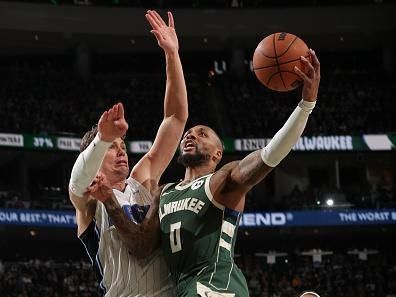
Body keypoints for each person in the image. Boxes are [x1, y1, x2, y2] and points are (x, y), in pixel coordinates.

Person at [93, 50, 321, 297]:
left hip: (217, 286)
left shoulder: (223, 180)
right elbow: (140, 247)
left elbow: (269, 155)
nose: (191, 135)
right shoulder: (164, 193)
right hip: (184, 290)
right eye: (189, 133)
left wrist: (306, 106)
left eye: (202, 134)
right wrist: (110, 202)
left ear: (217, 154)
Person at [68, 10, 187, 297]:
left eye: (123, 147)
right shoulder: (87, 202)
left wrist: (173, 55)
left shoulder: (142, 180)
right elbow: (77, 181)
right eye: (113, 148)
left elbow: (175, 118)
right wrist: (102, 138)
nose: (122, 153)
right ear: (95, 155)